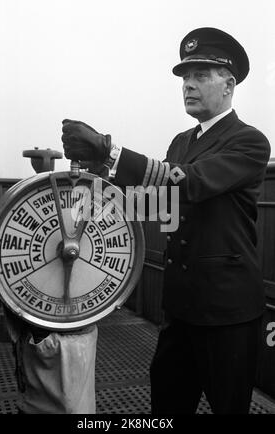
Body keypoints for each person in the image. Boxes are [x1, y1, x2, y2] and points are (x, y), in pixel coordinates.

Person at [61, 27, 271, 414]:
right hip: (180, 308)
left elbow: (192, 183)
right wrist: (96, 179)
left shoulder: (250, 141)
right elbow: (160, 203)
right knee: (167, 407)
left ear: (229, 84)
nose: (188, 85)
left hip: (227, 313)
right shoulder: (180, 143)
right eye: (185, 78)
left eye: (201, 75)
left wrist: (111, 151)